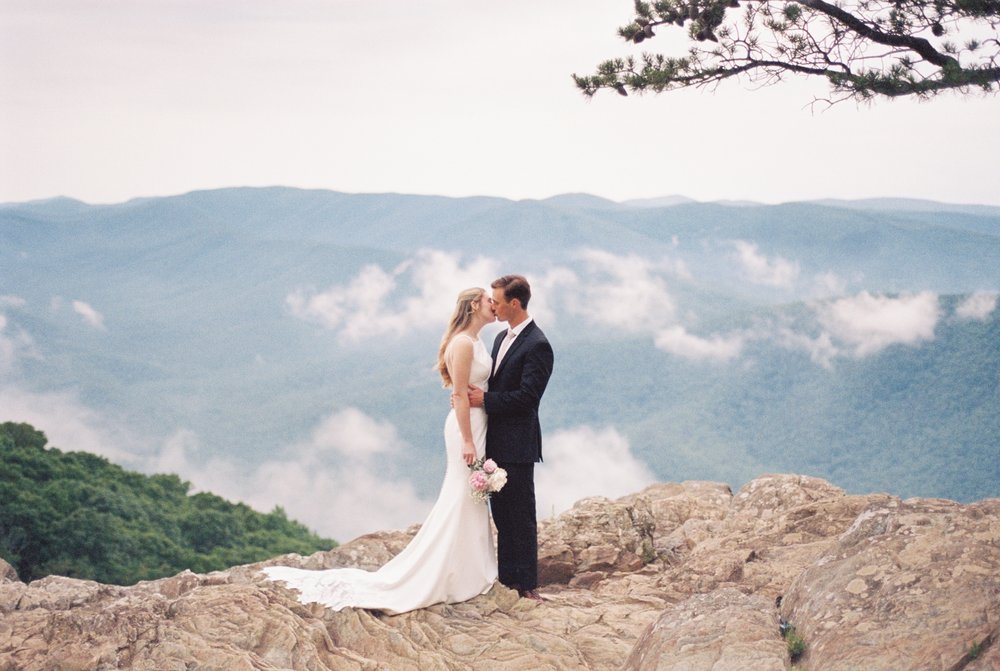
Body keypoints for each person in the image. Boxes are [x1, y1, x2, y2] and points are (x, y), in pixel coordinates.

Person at [261, 287, 498, 614]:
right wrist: (469, 440)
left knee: (471, 496)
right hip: (465, 427)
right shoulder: (461, 344)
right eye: (489, 301)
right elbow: (459, 395)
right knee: (461, 493)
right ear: (475, 305)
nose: (494, 305)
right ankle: (450, 572)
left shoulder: (476, 341)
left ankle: (469, 568)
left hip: (479, 421)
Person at [468, 274, 554, 602]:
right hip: (495, 440)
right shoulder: (501, 337)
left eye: (498, 301)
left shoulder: (538, 345)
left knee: (521, 516)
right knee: (502, 516)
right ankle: (508, 581)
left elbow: (527, 398)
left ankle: (527, 586)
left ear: (514, 303)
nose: (494, 306)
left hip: (518, 444)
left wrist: (484, 401)